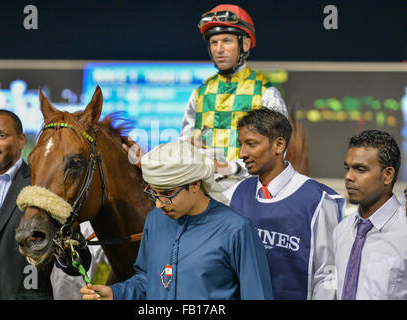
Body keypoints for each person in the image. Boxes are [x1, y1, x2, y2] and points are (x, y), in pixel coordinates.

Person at [81, 141, 273, 300]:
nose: (159, 204)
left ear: (195, 184)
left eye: (167, 194)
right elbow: (148, 279)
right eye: (153, 193)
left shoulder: (236, 230)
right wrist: (115, 293)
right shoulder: (155, 220)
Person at [0, 109, 86, 299]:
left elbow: (79, 264)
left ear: (21, 140)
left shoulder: (43, 188)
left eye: (1, 135)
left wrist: (64, 246)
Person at [224, 108, 345, 299]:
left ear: (279, 145)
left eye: (251, 144)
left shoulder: (318, 200)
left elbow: (328, 275)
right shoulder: (234, 195)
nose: (242, 153)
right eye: (241, 144)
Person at [180, 4, 288, 185]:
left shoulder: (266, 93)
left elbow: (276, 152)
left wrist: (229, 168)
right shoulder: (199, 94)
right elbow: (185, 144)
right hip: (203, 191)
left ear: (244, 44)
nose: (219, 49)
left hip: (248, 190)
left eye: (226, 41)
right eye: (214, 43)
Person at [334, 129, 407, 299]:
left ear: (387, 175)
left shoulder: (404, 233)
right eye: (347, 168)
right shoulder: (341, 231)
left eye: (360, 169)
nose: (348, 177)